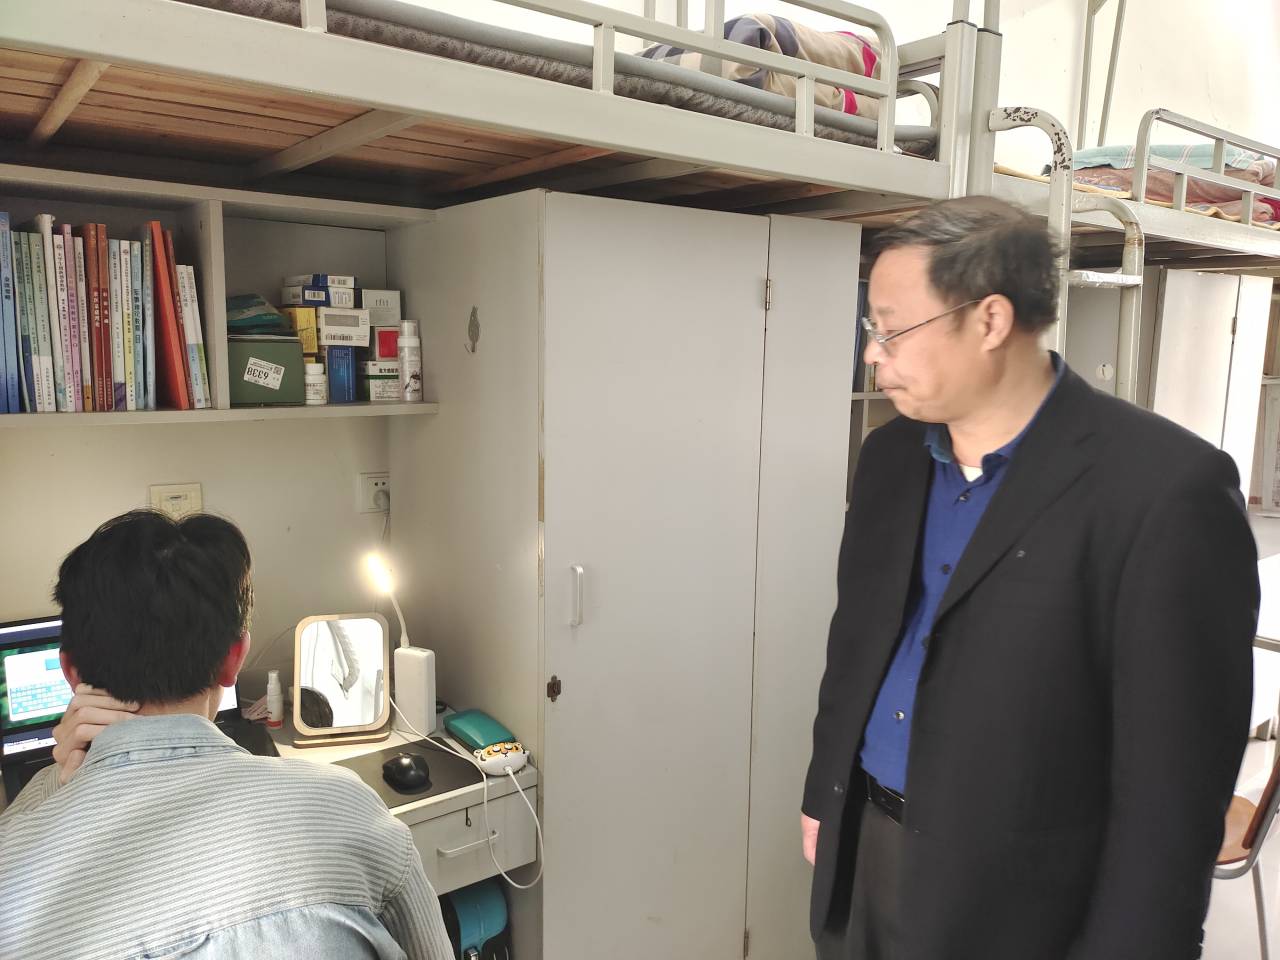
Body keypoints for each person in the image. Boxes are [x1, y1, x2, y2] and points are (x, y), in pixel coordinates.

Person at [802, 196, 1259, 960]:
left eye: (891, 329)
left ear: (989, 320)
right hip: (867, 845)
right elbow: (854, 646)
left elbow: (1174, 787)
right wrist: (826, 797)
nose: (873, 355)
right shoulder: (890, 458)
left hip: (1026, 894)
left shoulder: (1163, 489)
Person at [0, 510, 453, 960]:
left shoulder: (13, 863)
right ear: (234, 658)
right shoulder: (348, 805)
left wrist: (60, 784)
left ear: (70, 671)